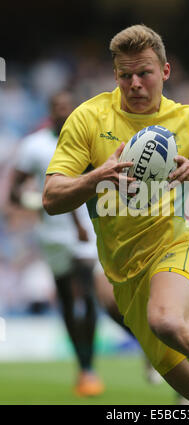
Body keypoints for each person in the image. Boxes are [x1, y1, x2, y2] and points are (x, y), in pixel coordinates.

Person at [42, 25, 189, 405]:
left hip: (176, 251)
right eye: (124, 75)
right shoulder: (88, 119)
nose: (134, 83)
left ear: (164, 72)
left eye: (144, 73)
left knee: (168, 322)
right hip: (125, 280)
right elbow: (51, 197)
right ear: (115, 74)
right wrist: (97, 177)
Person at [9, 91, 105, 397]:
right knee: (66, 300)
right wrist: (41, 203)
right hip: (52, 234)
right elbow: (14, 192)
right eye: (58, 107)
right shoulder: (34, 146)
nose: (64, 111)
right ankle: (83, 368)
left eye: (68, 107)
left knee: (88, 292)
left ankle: (89, 368)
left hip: (84, 233)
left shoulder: (87, 143)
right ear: (51, 111)